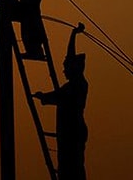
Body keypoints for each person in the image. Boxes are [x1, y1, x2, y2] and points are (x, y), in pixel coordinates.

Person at [33, 23, 88, 180]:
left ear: (74, 69)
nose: (64, 71)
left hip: (73, 131)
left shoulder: (77, 85)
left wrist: (44, 96)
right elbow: (70, 56)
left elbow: (59, 96)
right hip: (68, 131)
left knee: (72, 168)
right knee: (67, 166)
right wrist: (73, 35)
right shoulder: (73, 84)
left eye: (66, 68)